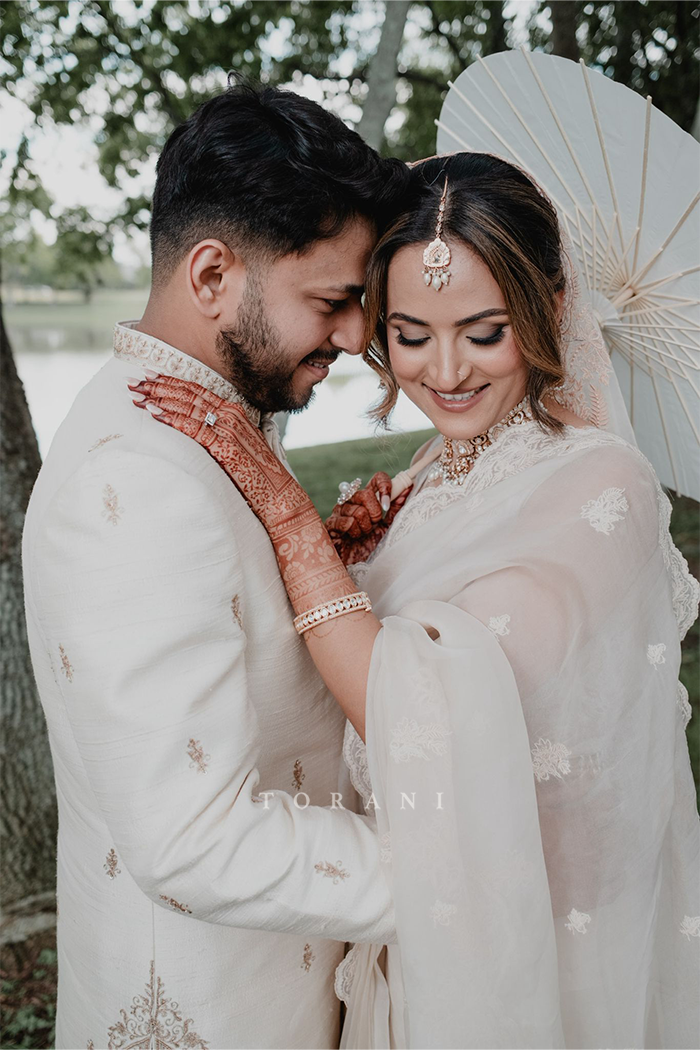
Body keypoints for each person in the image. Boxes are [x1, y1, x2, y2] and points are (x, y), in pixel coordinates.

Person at [135, 151, 700, 1049]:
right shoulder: (440, 465)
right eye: (411, 334)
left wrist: (289, 522)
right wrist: (367, 559)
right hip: (428, 924)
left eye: (484, 332)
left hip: (536, 941)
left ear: (550, 311)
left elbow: (429, 717)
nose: (445, 373)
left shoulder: (602, 488)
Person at [21, 79, 413, 1048]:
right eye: (332, 300)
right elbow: (193, 840)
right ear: (210, 276)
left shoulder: (201, 427)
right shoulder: (139, 477)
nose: (358, 338)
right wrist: (468, 879)